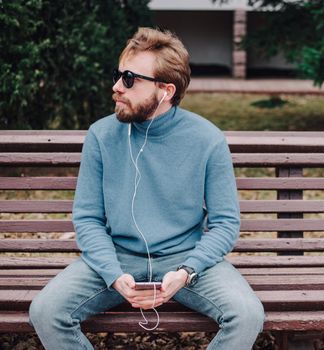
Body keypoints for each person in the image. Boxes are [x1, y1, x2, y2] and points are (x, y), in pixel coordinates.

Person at [29, 27, 265, 349]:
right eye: (118, 75)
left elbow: (225, 223)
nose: (116, 87)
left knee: (247, 315)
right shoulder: (101, 135)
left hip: (184, 259)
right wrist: (112, 273)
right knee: (45, 311)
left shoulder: (207, 140)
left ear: (165, 91)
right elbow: (87, 219)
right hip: (117, 258)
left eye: (129, 79)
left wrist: (187, 271)